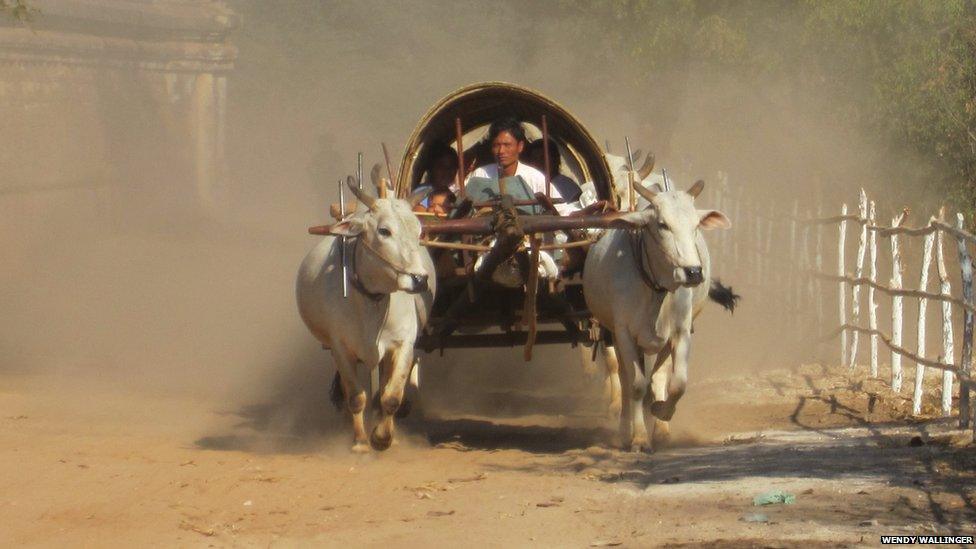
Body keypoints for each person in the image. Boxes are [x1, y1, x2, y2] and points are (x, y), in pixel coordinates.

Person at [464, 117, 563, 202]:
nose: (501, 151)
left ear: (520, 146)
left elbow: (562, 210)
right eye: (497, 145)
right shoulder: (480, 175)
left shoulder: (535, 178)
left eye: (507, 145)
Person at [412, 142, 458, 215]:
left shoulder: (452, 195)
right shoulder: (423, 192)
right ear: (431, 168)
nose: (447, 171)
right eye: (441, 166)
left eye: (451, 167)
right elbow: (419, 214)